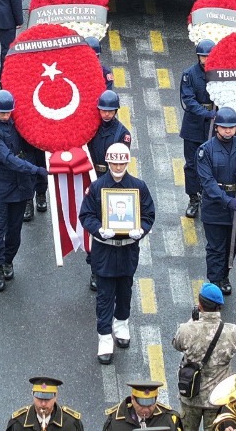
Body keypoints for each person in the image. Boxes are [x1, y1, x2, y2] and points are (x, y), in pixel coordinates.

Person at [79, 143, 154, 364]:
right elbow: (86, 215)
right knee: (104, 297)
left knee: (125, 291)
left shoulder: (139, 187)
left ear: (127, 162)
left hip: (128, 249)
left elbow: (149, 213)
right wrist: (99, 229)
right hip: (105, 250)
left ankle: (121, 326)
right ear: (108, 162)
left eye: (122, 162)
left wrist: (141, 229)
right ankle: (104, 338)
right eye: (114, 162)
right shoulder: (97, 187)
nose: (118, 166)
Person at [0, 90, 47, 292]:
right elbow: (7, 159)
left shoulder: (17, 122)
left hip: (20, 184)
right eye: (2, 113)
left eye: (8, 113)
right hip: (1, 184)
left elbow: (33, 138)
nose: (5, 116)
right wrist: (36, 170)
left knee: (15, 229)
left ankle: (8, 260)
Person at [171, 284, 236, 431]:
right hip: (218, 398)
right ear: (220, 307)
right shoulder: (234, 331)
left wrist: (193, 320)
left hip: (191, 395)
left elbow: (176, 344)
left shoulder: (186, 330)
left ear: (200, 305)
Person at [196, 108, 236, 294]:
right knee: (215, 247)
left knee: (231, 244)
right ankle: (215, 280)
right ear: (217, 127)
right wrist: (226, 200)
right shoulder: (205, 150)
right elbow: (208, 182)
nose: (228, 131)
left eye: (232, 127)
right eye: (224, 127)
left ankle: (225, 274)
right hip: (215, 207)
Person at [179, 41, 218, 218]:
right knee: (192, 164)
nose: (206, 59)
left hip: (215, 124)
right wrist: (206, 113)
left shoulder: (220, 74)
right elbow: (188, 99)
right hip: (194, 126)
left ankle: (211, 196)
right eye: (203, 56)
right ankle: (194, 198)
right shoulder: (189, 74)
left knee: (214, 163)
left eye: (209, 56)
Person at [6, 377, 84, 431]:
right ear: (32, 395)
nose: (43, 404)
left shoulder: (71, 423)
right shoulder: (18, 423)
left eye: (47, 399)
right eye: (39, 398)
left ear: (56, 396)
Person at [100, 380, 181, 431]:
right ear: (132, 399)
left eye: (150, 405)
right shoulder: (116, 420)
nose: (146, 410)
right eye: (141, 405)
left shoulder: (169, 419)